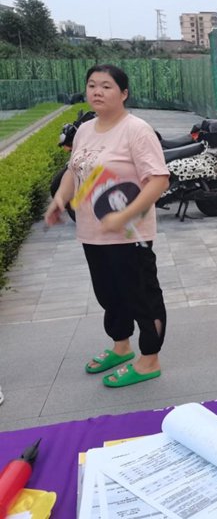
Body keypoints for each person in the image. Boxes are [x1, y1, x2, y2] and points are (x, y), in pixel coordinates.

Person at [45, 64, 170, 388]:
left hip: (131, 235)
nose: (97, 92)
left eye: (106, 86)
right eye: (92, 85)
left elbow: (158, 180)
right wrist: (60, 199)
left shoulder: (136, 130)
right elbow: (75, 170)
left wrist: (126, 214)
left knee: (141, 297)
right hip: (93, 233)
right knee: (110, 295)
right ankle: (121, 346)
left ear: (124, 93)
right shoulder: (86, 129)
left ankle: (149, 359)